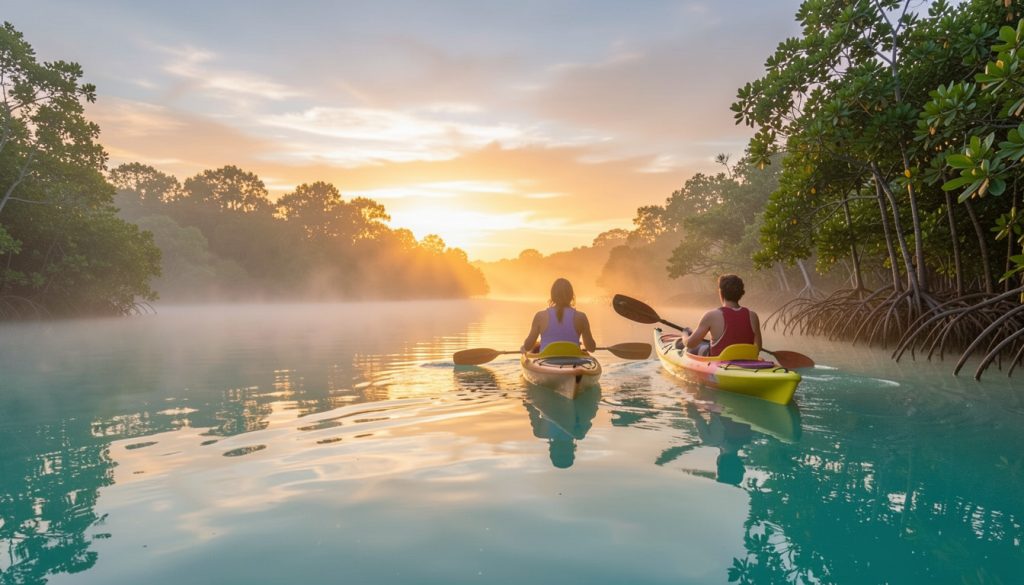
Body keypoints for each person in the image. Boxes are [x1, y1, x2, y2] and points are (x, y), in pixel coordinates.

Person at [678, 274, 762, 356]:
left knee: (687, 349)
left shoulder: (711, 315)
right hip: (746, 359)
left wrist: (685, 334)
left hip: (719, 362)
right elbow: (758, 348)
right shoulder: (753, 316)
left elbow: (690, 344)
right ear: (741, 293)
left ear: (721, 293)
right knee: (705, 345)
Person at [521, 278, 597, 353]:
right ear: (571, 296)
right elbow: (591, 348)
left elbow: (527, 346)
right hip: (574, 361)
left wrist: (533, 345)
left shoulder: (540, 316)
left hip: (546, 361)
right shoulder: (581, 317)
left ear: (552, 296)